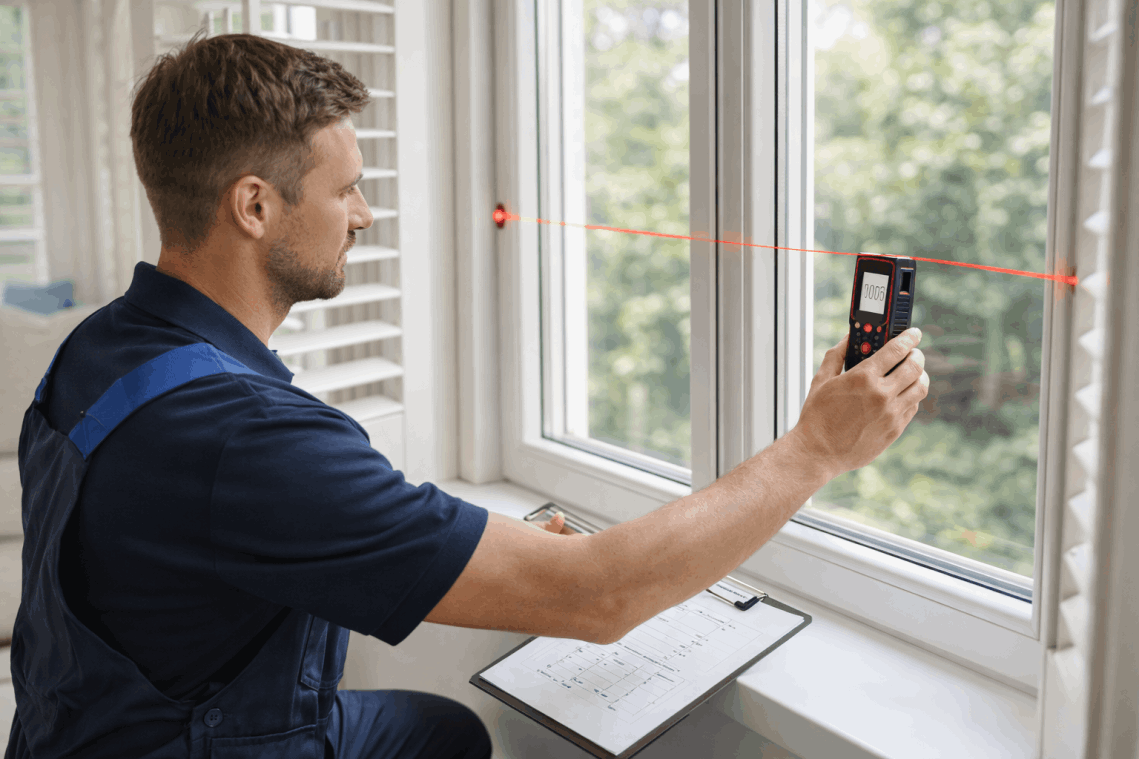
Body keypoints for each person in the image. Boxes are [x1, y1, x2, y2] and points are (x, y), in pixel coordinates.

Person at [6, 30, 928, 759]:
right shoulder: (243, 438)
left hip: (73, 728)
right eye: (348, 189)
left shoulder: (105, 344)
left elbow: (265, 516)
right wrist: (813, 450)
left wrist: (481, 541)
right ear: (254, 206)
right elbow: (596, 597)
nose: (363, 215)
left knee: (443, 732)